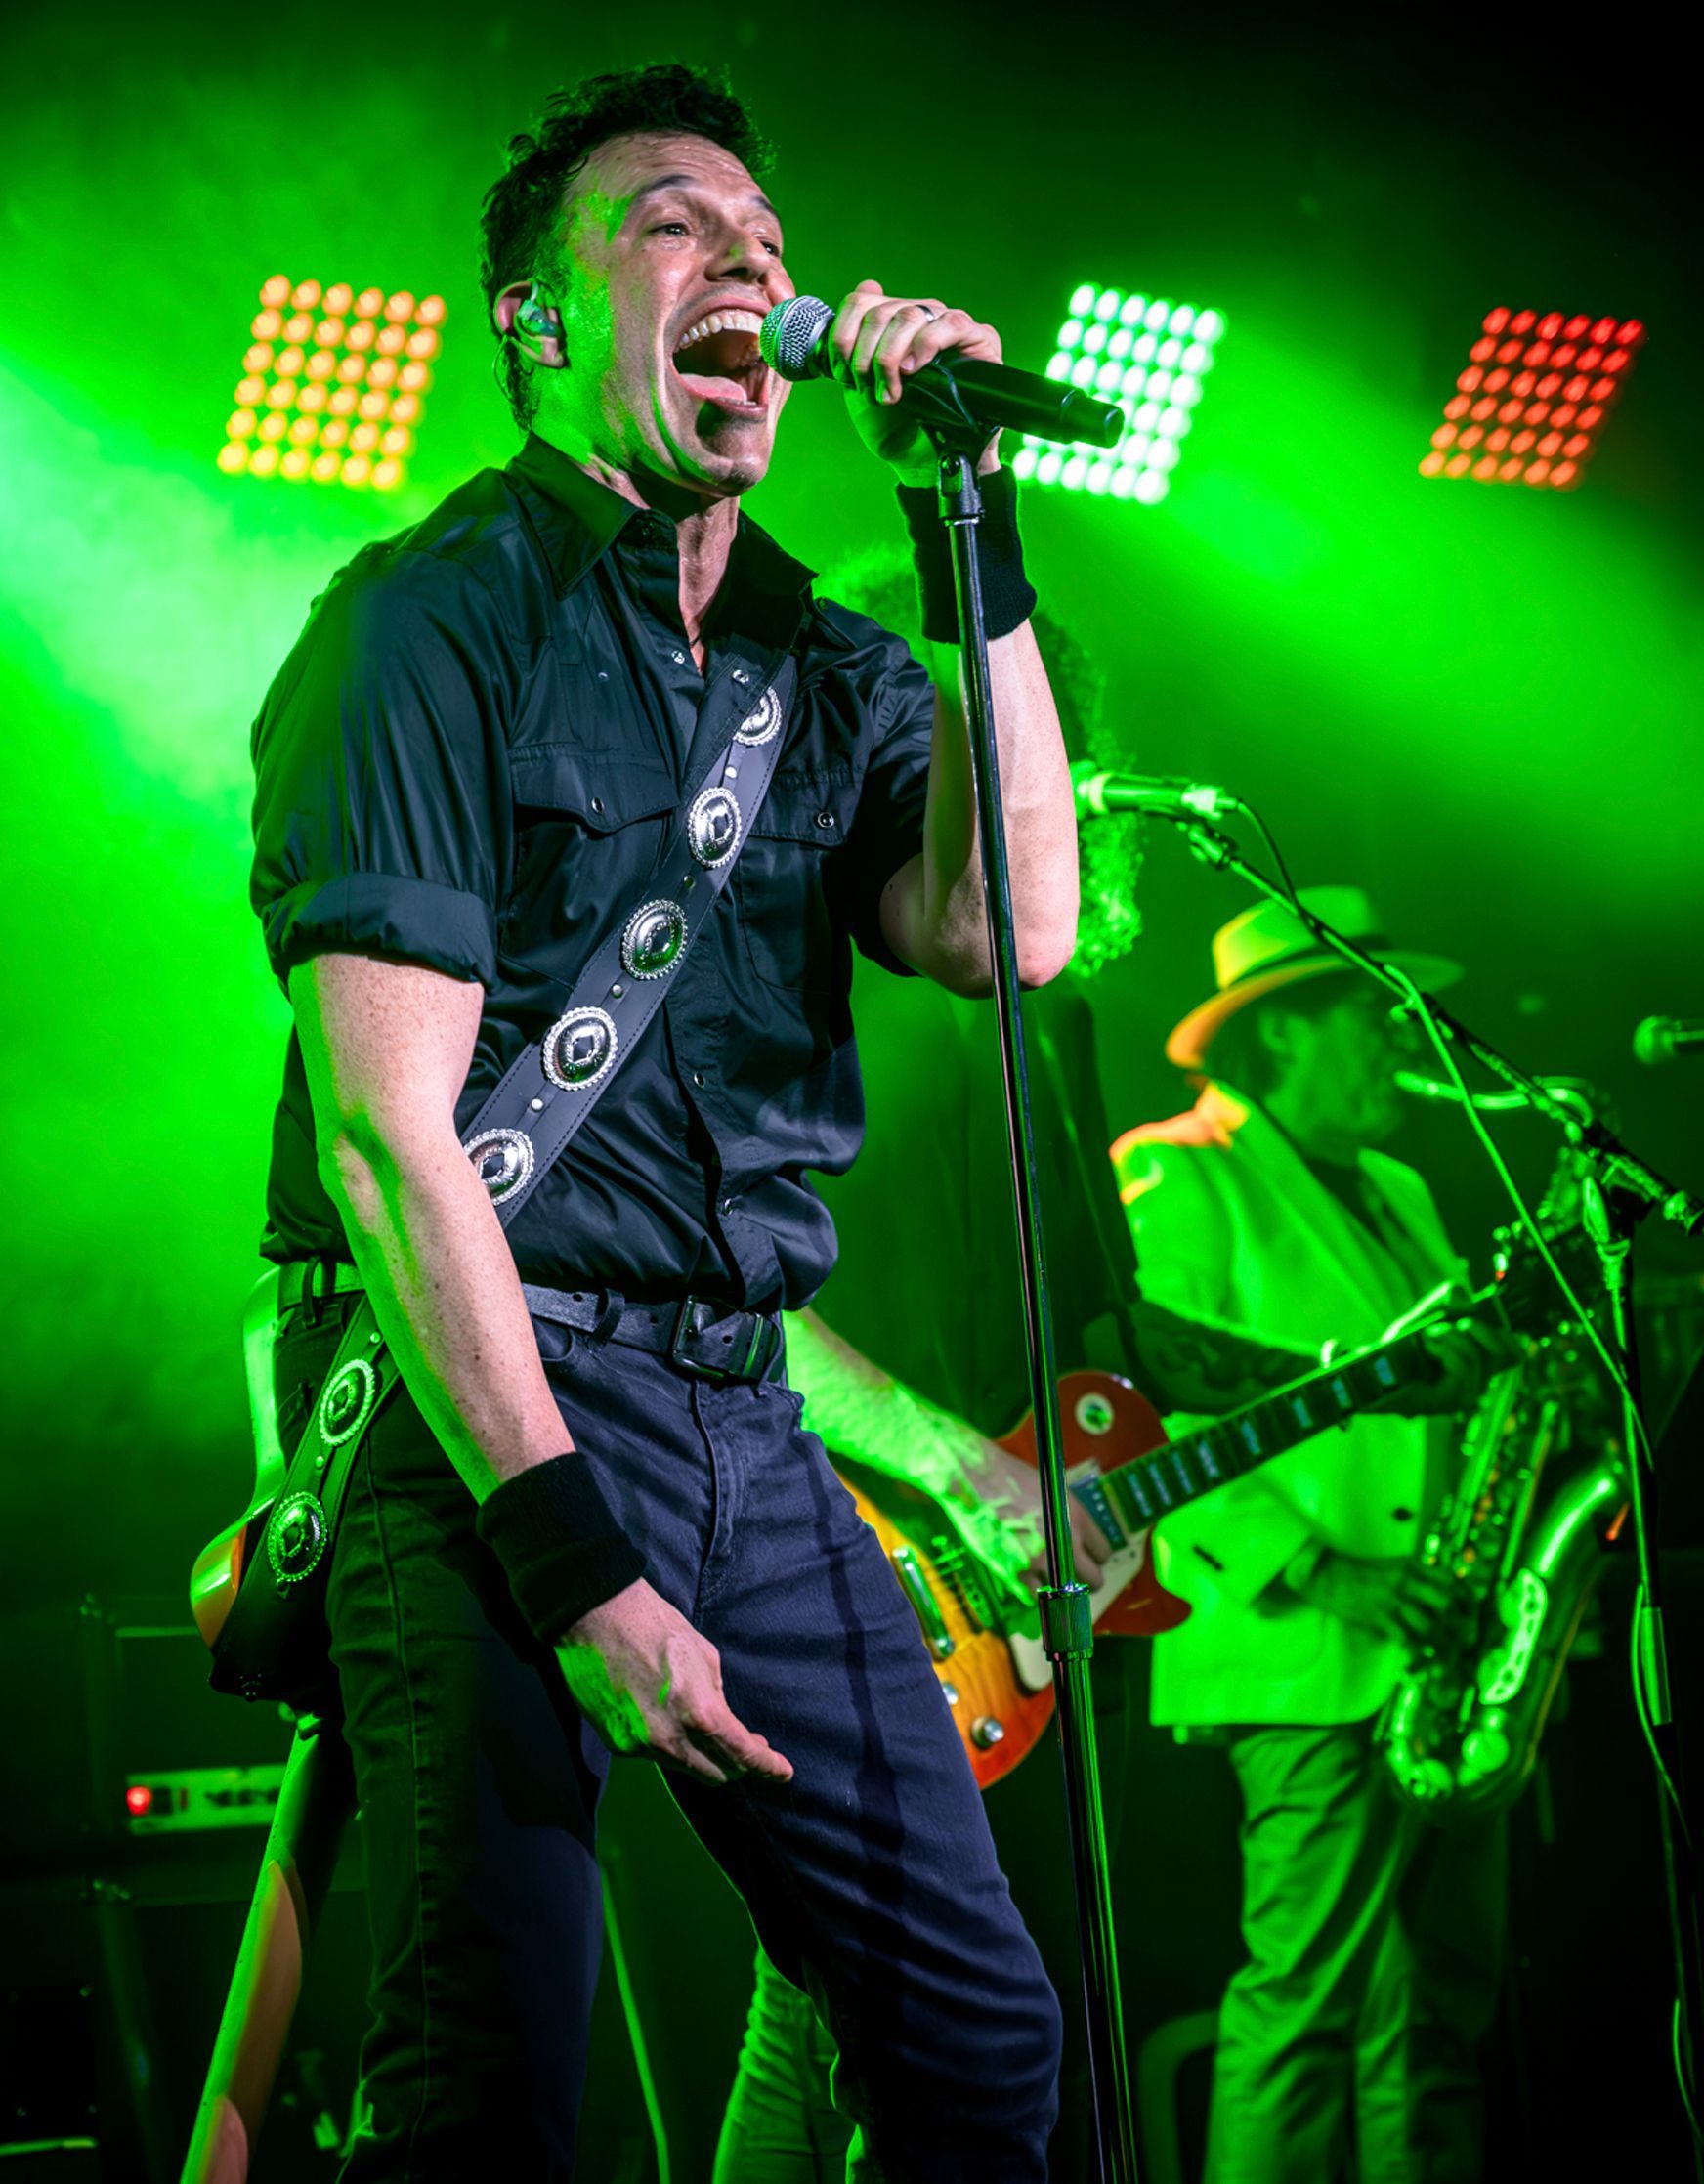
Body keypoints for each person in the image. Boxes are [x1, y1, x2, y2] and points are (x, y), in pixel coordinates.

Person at [246, 61, 1084, 2182]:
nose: (748, 265)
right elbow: (385, 1144)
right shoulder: (424, 625)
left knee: (985, 2046)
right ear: (538, 319)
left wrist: (967, 525)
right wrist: (571, 1557)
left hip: (749, 1426)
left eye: (769, 241)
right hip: (492, 1419)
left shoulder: (830, 657)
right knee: (491, 2090)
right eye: (675, 228)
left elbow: (1014, 926)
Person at [709, 576, 1331, 2184]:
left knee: (953, 2015)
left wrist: (1343, 1379)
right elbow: (724, 1297)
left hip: (1032, 1581)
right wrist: (959, 1470)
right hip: (851, 1542)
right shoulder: (779, 969)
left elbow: (1106, 1328)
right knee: (851, 2007)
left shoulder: (1051, 1017)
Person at [1110, 887, 1509, 2184]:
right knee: (1306, 2010)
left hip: (1438, 1654)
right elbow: (1152, 1412)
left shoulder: (1399, 1186)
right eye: (1372, 1013)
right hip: (1302, 1650)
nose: (1402, 1037)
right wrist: (1328, 1571)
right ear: (1280, 1030)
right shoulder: (1176, 1166)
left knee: (1434, 2012)